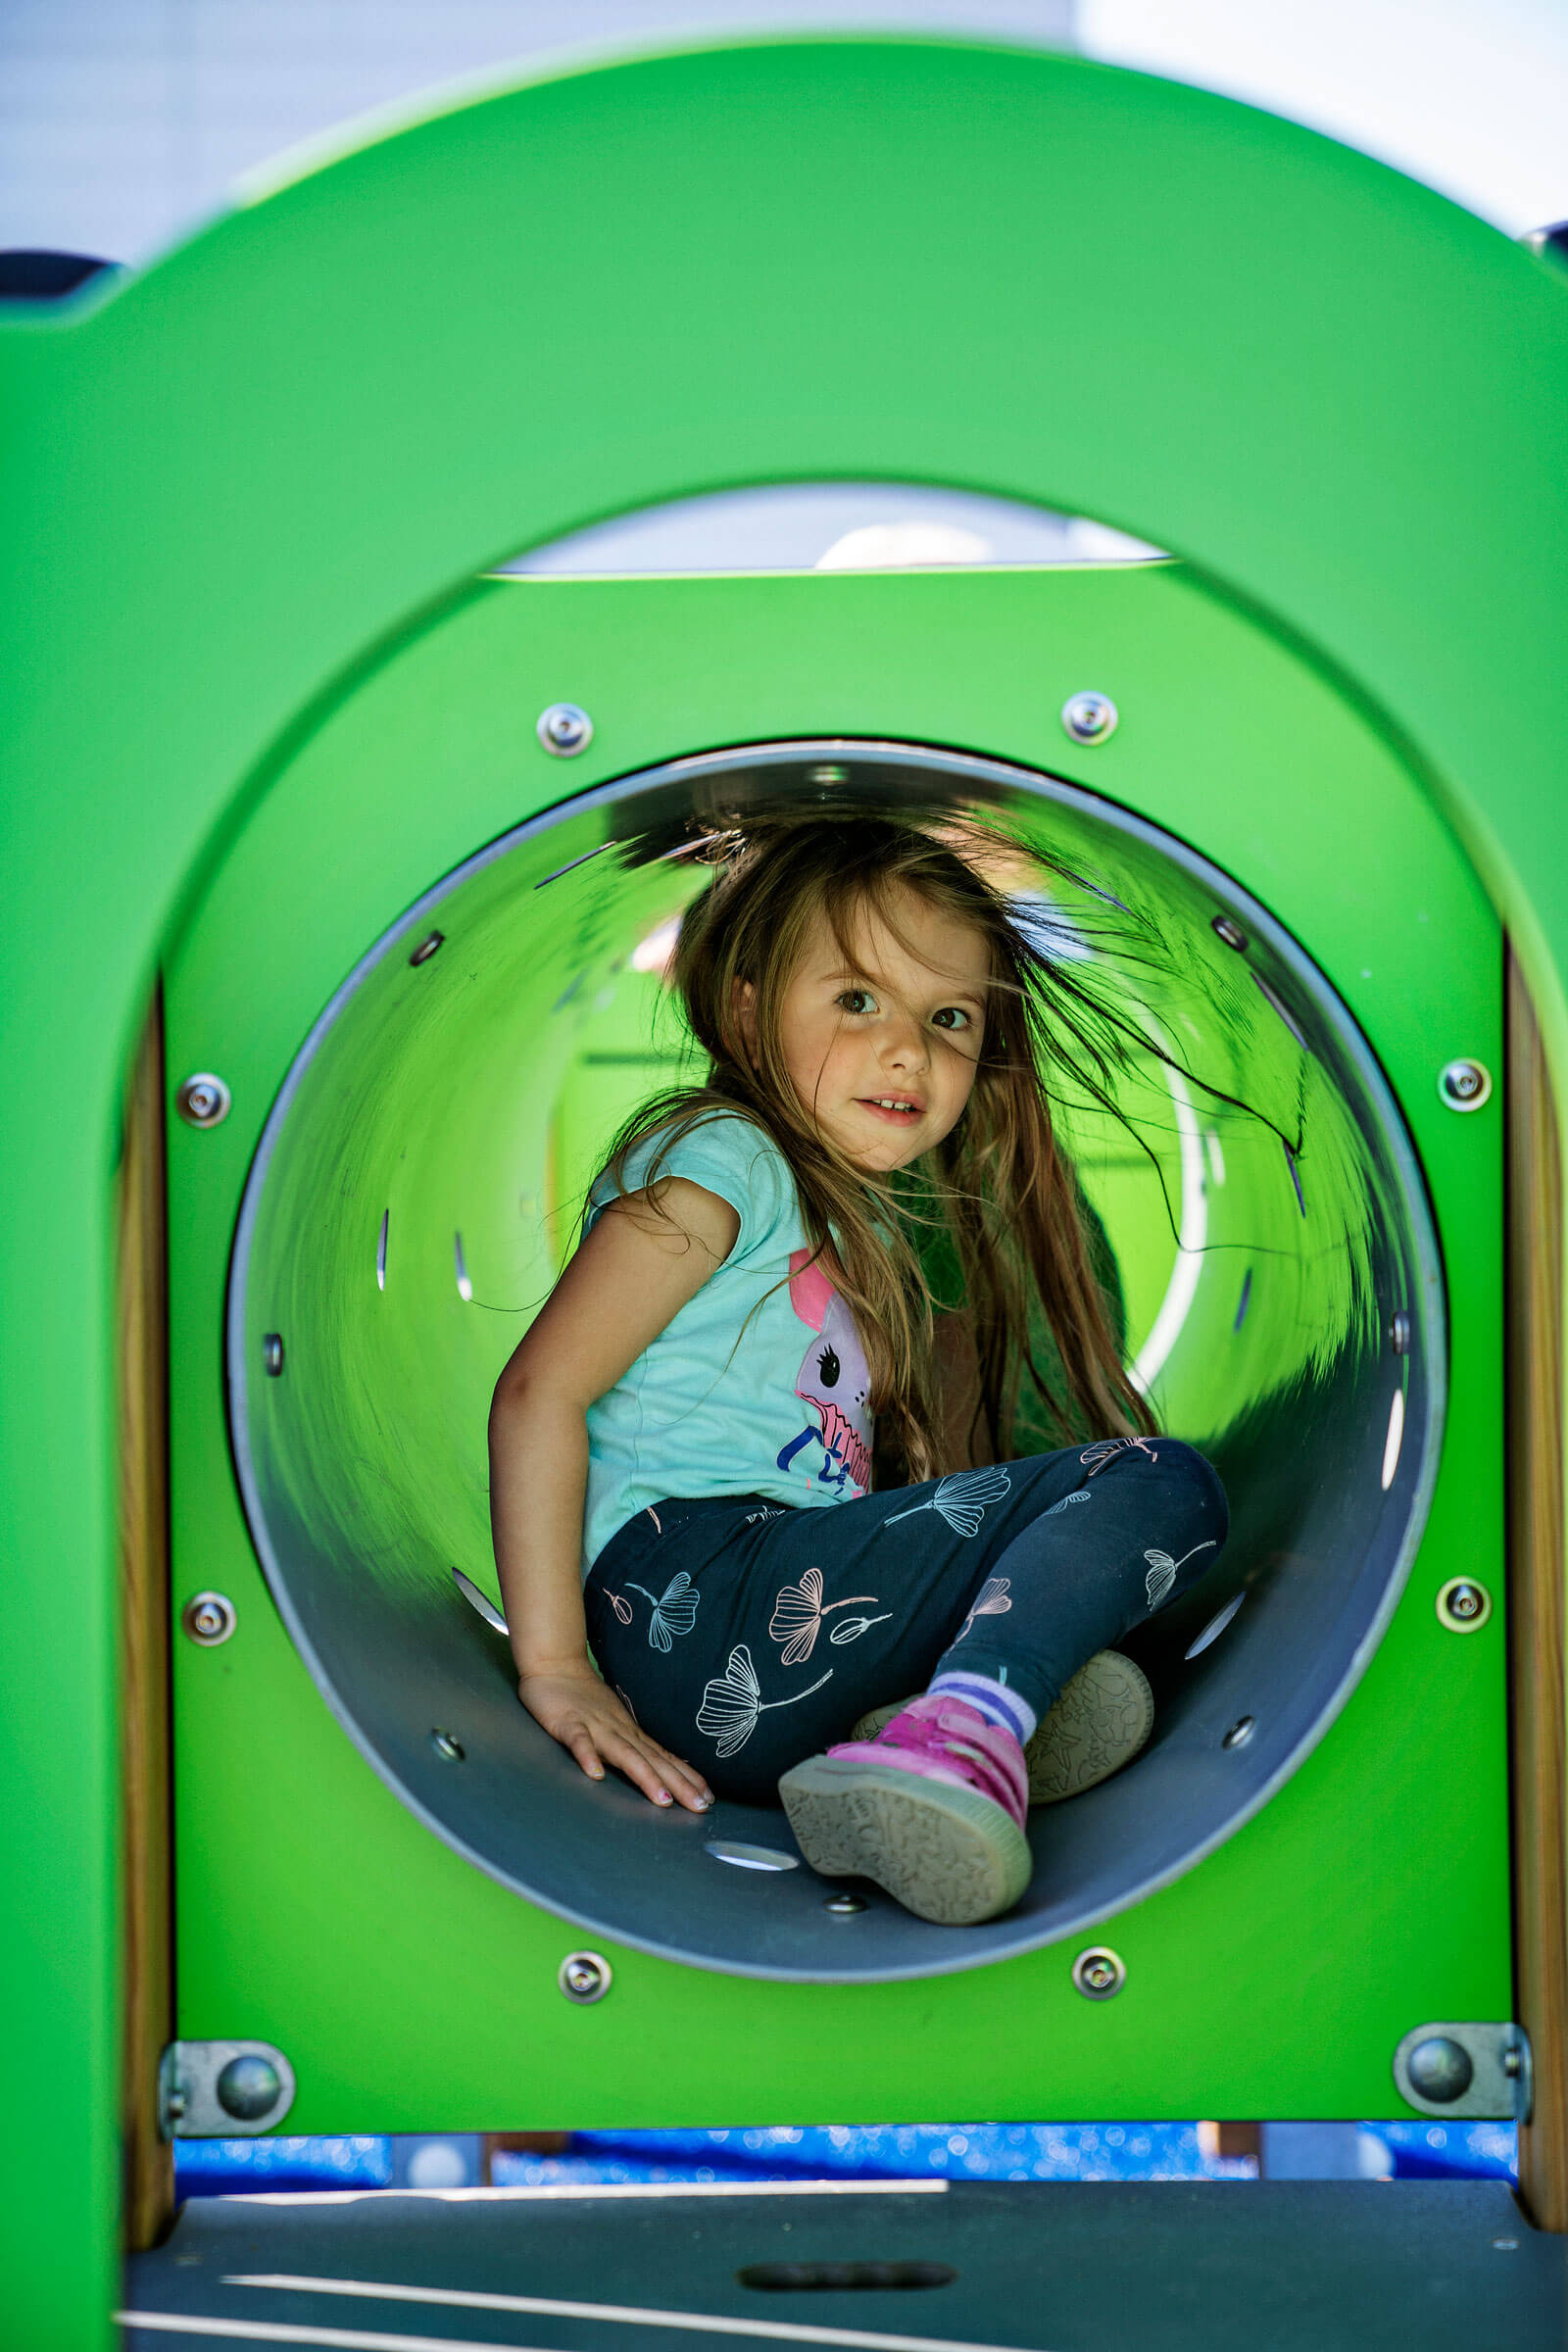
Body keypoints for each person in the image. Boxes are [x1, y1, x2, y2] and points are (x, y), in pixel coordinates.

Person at [488, 810, 1228, 1925]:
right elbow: (541, 1391)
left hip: (742, 1679)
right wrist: (552, 1663)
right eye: (856, 999)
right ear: (745, 1007)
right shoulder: (721, 1154)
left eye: (949, 1019)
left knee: (1047, 1560)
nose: (907, 1050)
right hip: (697, 1589)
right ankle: (977, 1718)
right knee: (1156, 1481)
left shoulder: (847, 1219)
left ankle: (898, 1740)